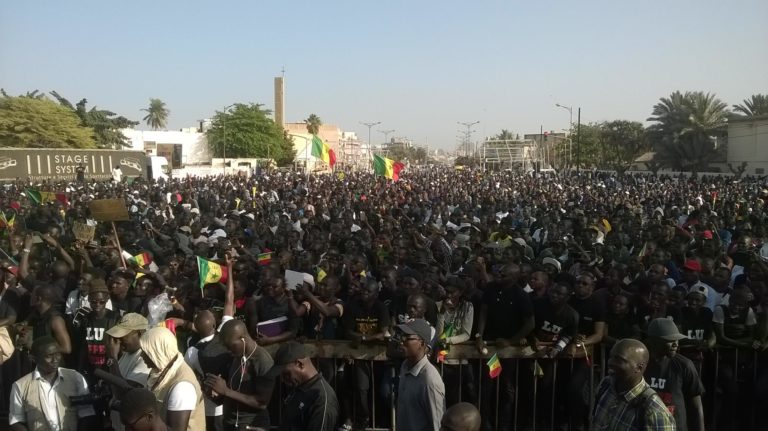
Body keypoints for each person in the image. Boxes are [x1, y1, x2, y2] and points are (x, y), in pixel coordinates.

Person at [9, 336, 97, 430]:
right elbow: (16, 420)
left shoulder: (75, 378)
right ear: (33, 359)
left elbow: (86, 413)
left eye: (58, 354)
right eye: (49, 356)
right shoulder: (20, 386)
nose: (55, 360)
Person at [592, 338, 676, 430]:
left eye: (619, 360)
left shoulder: (653, 411)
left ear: (639, 368)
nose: (611, 363)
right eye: (611, 357)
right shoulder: (606, 385)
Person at [209, 318, 275, 430]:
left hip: (252, 426)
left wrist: (226, 391)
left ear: (243, 339)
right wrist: (216, 394)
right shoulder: (237, 356)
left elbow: (261, 402)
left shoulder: (262, 360)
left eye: (231, 346)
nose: (228, 350)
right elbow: (234, 393)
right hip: (231, 424)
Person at [643, 318, 705, 431]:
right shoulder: (641, 364)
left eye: (677, 339)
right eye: (670, 340)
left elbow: (696, 407)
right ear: (653, 341)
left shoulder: (684, 365)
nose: (675, 344)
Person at [139, 327, 205, 431]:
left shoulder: (182, 387)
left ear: (158, 352)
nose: (141, 355)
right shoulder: (162, 370)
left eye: (146, 352)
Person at [267, 341, 339, 431]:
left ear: (300, 364)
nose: (282, 379)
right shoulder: (298, 388)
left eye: (286, 374)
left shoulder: (322, 400)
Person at [395, 318, 445, 431]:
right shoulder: (404, 366)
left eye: (407, 338)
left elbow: (438, 424)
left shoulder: (430, 380)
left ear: (421, 343)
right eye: (401, 337)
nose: (401, 342)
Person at [106, 313, 152, 431]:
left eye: (123, 336)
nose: (119, 341)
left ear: (140, 333)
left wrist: (113, 358)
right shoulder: (127, 353)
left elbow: (123, 393)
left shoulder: (145, 358)